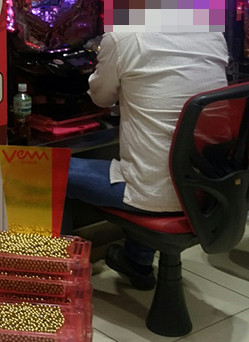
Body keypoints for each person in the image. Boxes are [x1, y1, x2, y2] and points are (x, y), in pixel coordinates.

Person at [66, 32, 229, 290]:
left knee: (48, 172)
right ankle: (137, 263)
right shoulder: (212, 35)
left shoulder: (122, 39)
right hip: (211, 190)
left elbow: (101, 98)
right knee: (150, 160)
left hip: (155, 195)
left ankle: (60, 278)